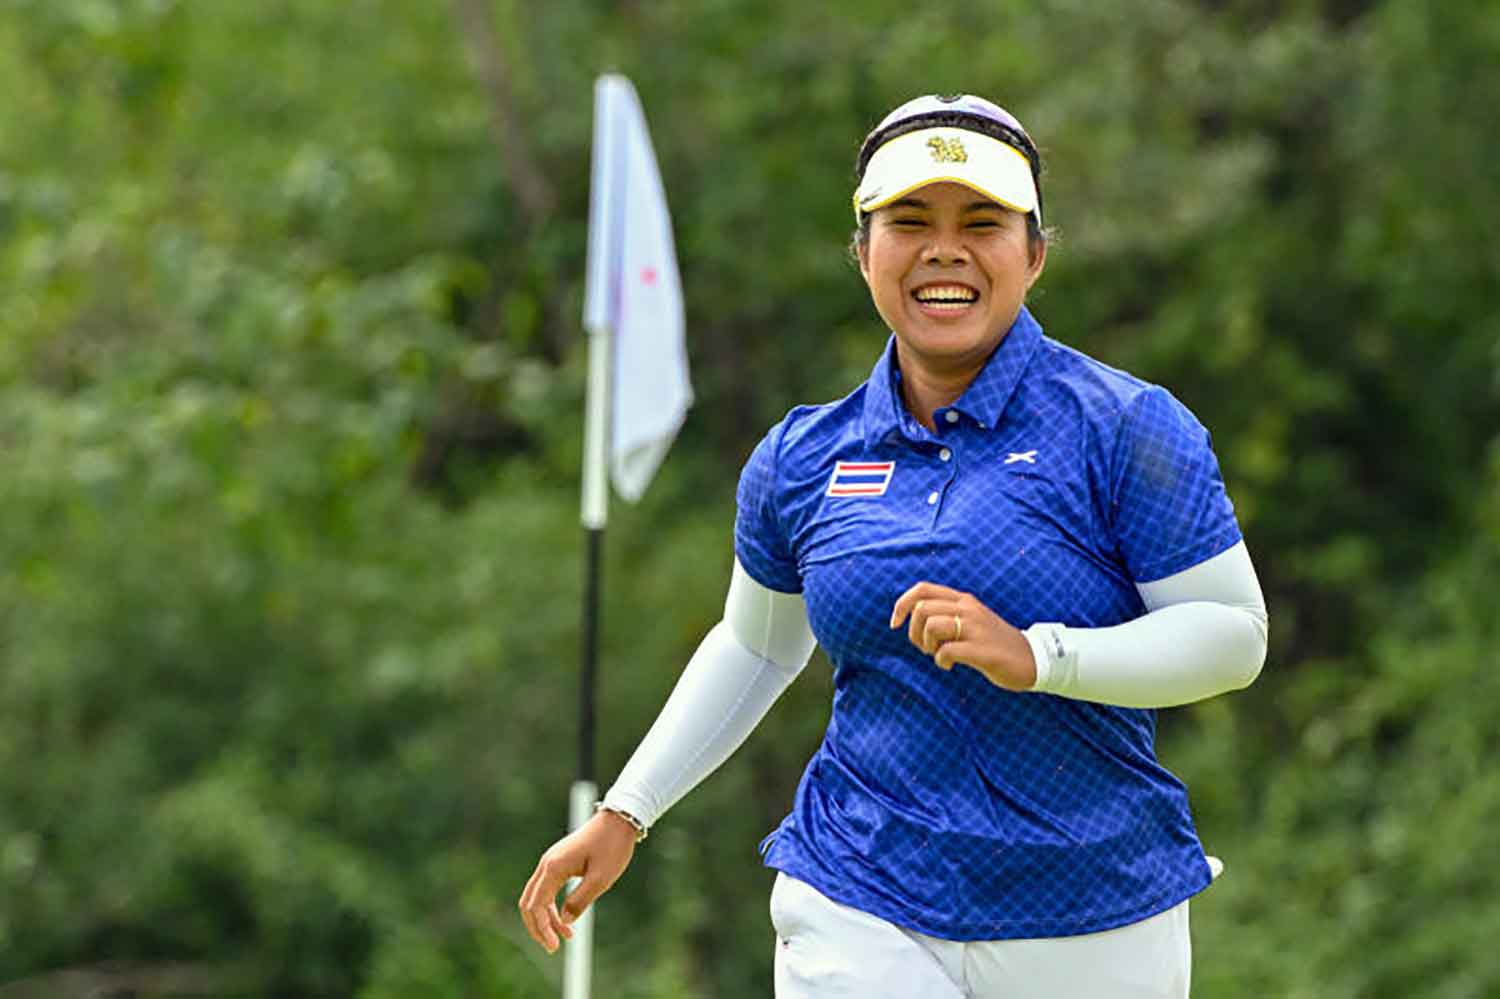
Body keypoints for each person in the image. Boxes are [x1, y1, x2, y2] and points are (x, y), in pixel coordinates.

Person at [519, 93, 1269, 998]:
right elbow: (758, 644)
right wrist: (626, 811)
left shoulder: (1127, 427)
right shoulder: (803, 456)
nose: (943, 248)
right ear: (864, 254)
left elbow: (1231, 632)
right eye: (908, 221)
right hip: (859, 887)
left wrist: (1038, 655)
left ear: (1034, 253)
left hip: (1094, 902)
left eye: (982, 221)